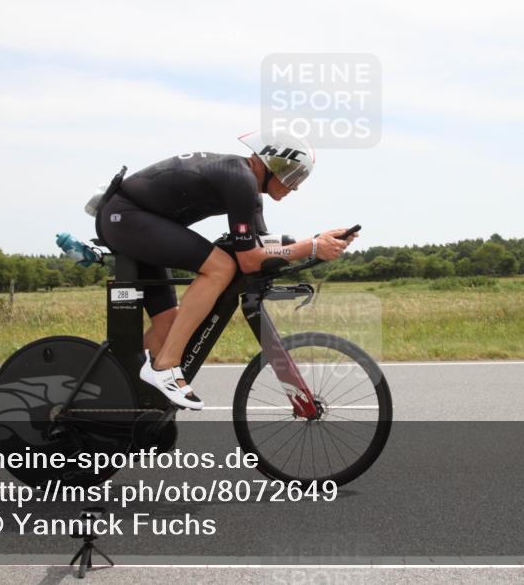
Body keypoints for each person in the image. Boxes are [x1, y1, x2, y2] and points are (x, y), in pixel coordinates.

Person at [96, 131, 358, 410]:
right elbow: (248, 260)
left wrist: (319, 242)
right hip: (125, 217)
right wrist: (312, 247)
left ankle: (115, 395)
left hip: (138, 222)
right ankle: (165, 367)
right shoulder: (240, 179)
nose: (295, 187)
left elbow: (262, 249)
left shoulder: (249, 189)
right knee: (221, 266)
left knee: (169, 324)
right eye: (294, 176)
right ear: (275, 165)